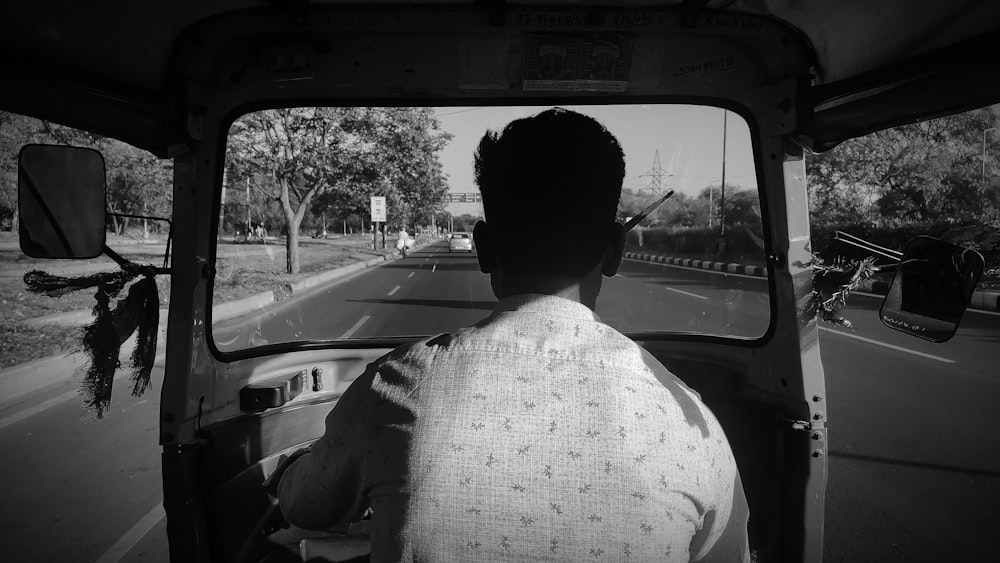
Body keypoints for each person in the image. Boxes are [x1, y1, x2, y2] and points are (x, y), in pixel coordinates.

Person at [273, 108, 750, 561]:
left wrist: (295, 463)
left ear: (483, 248)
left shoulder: (394, 387)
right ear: (615, 252)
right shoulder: (690, 423)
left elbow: (304, 505)